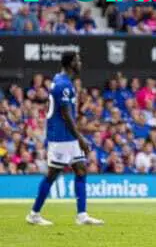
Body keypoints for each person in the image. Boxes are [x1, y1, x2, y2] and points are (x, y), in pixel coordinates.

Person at [26, 52, 103, 226]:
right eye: (78, 60)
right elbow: (65, 115)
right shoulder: (63, 85)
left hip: (68, 136)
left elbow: (69, 114)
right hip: (60, 137)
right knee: (52, 175)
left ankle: (82, 215)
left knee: (81, 170)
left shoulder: (63, 81)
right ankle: (34, 214)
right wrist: (81, 138)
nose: (80, 63)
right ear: (70, 64)